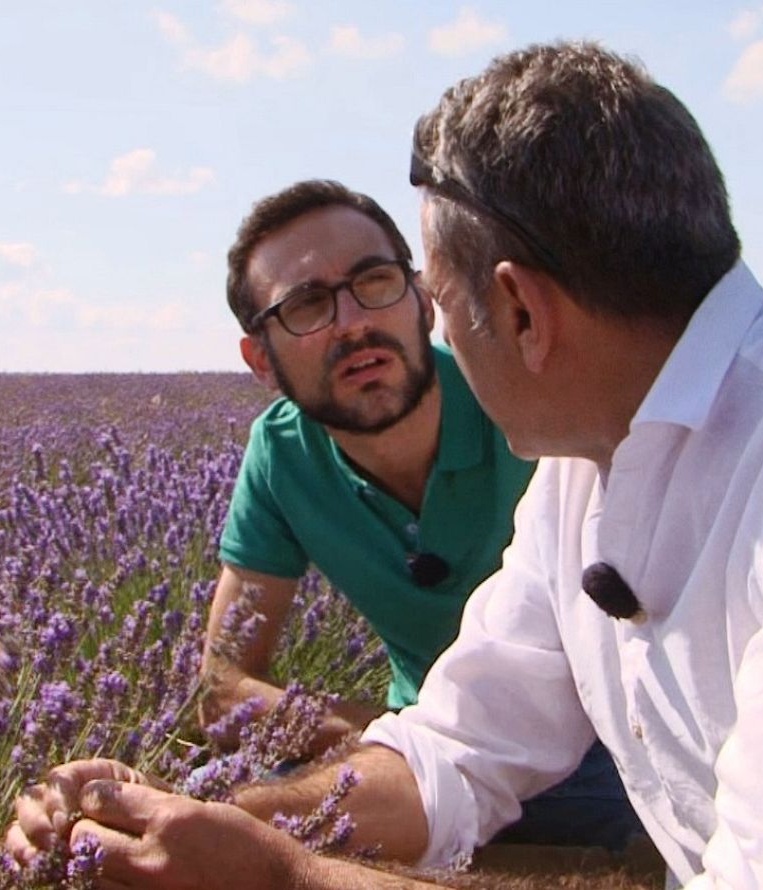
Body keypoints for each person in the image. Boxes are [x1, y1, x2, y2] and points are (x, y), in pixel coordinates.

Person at [7, 41, 763, 888]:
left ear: (520, 312)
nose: (432, 340)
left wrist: (287, 878)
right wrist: (202, 822)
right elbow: (452, 753)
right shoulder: (584, 468)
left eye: (429, 299)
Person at [200, 179, 637, 848]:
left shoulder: (525, 403)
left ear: (423, 301)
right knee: (215, 801)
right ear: (261, 359)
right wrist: (396, 741)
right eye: (307, 305)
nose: (353, 323)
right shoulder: (282, 454)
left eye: (374, 282)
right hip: (410, 745)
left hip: (589, 743)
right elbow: (223, 684)